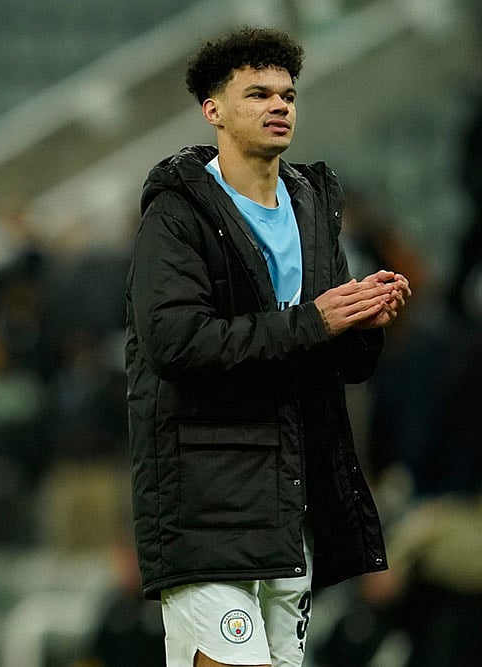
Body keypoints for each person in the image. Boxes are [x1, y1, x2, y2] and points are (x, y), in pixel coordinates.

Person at [124, 27, 411, 667]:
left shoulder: (312, 204)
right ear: (214, 110)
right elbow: (175, 344)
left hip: (291, 500)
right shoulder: (177, 215)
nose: (279, 105)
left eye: (287, 94)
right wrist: (314, 321)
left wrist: (363, 322)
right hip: (207, 505)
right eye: (258, 94)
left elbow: (340, 361)